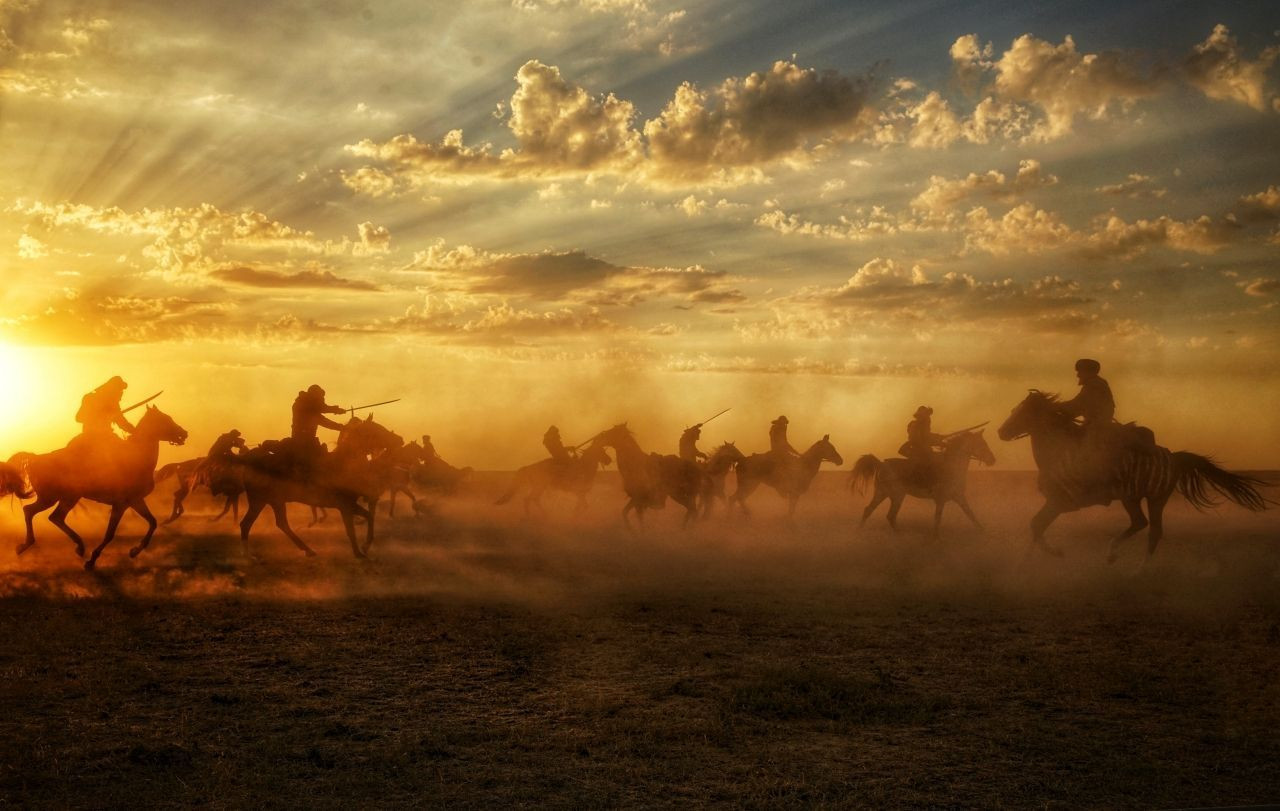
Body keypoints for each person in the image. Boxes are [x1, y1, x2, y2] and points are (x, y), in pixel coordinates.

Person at [288, 385, 346, 471]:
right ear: (314, 397)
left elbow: (321, 408)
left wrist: (336, 410)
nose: (322, 401)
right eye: (320, 398)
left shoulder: (305, 404)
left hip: (308, 440)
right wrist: (341, 425)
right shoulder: (304, 406)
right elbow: (323, 419)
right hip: (302, 442)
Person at [1060, 358, 1115, 428]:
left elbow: (1078, 404)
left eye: (1080, 372)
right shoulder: (1096, 383)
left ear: (1088, 372)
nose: (1078, 375)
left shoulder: (1094, 385)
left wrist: (1056, 407)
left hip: (1097, 426)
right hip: (1095, 424)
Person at [900, 406, 945, 487]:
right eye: (927, 416)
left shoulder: (920, 424)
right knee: (935, 460)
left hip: (920, 448)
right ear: (922, 416)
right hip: (918, 449)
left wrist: (939, 437)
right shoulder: (916, 425)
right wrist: (939, 439)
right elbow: (923, 438)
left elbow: (926, 435)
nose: (929, 419)